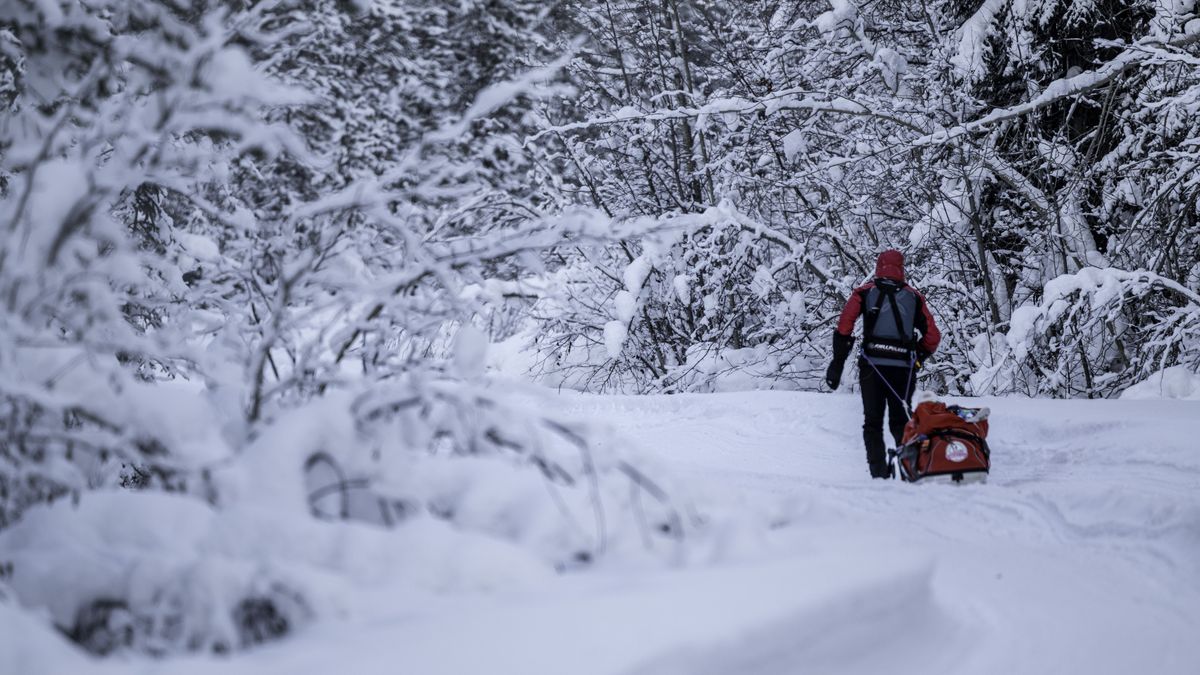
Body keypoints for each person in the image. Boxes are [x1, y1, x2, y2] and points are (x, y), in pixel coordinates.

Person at [825, 250, 941, 478]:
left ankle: (879, 475)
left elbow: (844, 325)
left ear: (878, 266)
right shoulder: (914, 297)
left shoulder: (864, 292)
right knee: (901, 421)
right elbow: (933, 336)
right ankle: (910, 472)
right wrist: (918, 358)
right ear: (902, 268)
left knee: (873, 422)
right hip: (903, 371)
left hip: (871, 368)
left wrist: (837, 363)